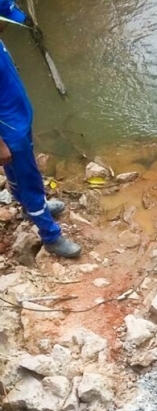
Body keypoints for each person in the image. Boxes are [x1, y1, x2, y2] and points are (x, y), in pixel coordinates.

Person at [0, 0, 81, 258]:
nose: (6, 24)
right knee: (30, 179)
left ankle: (26, 206)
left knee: (19, 173)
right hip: (9, 129)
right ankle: (51, 236)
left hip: (18, 118)